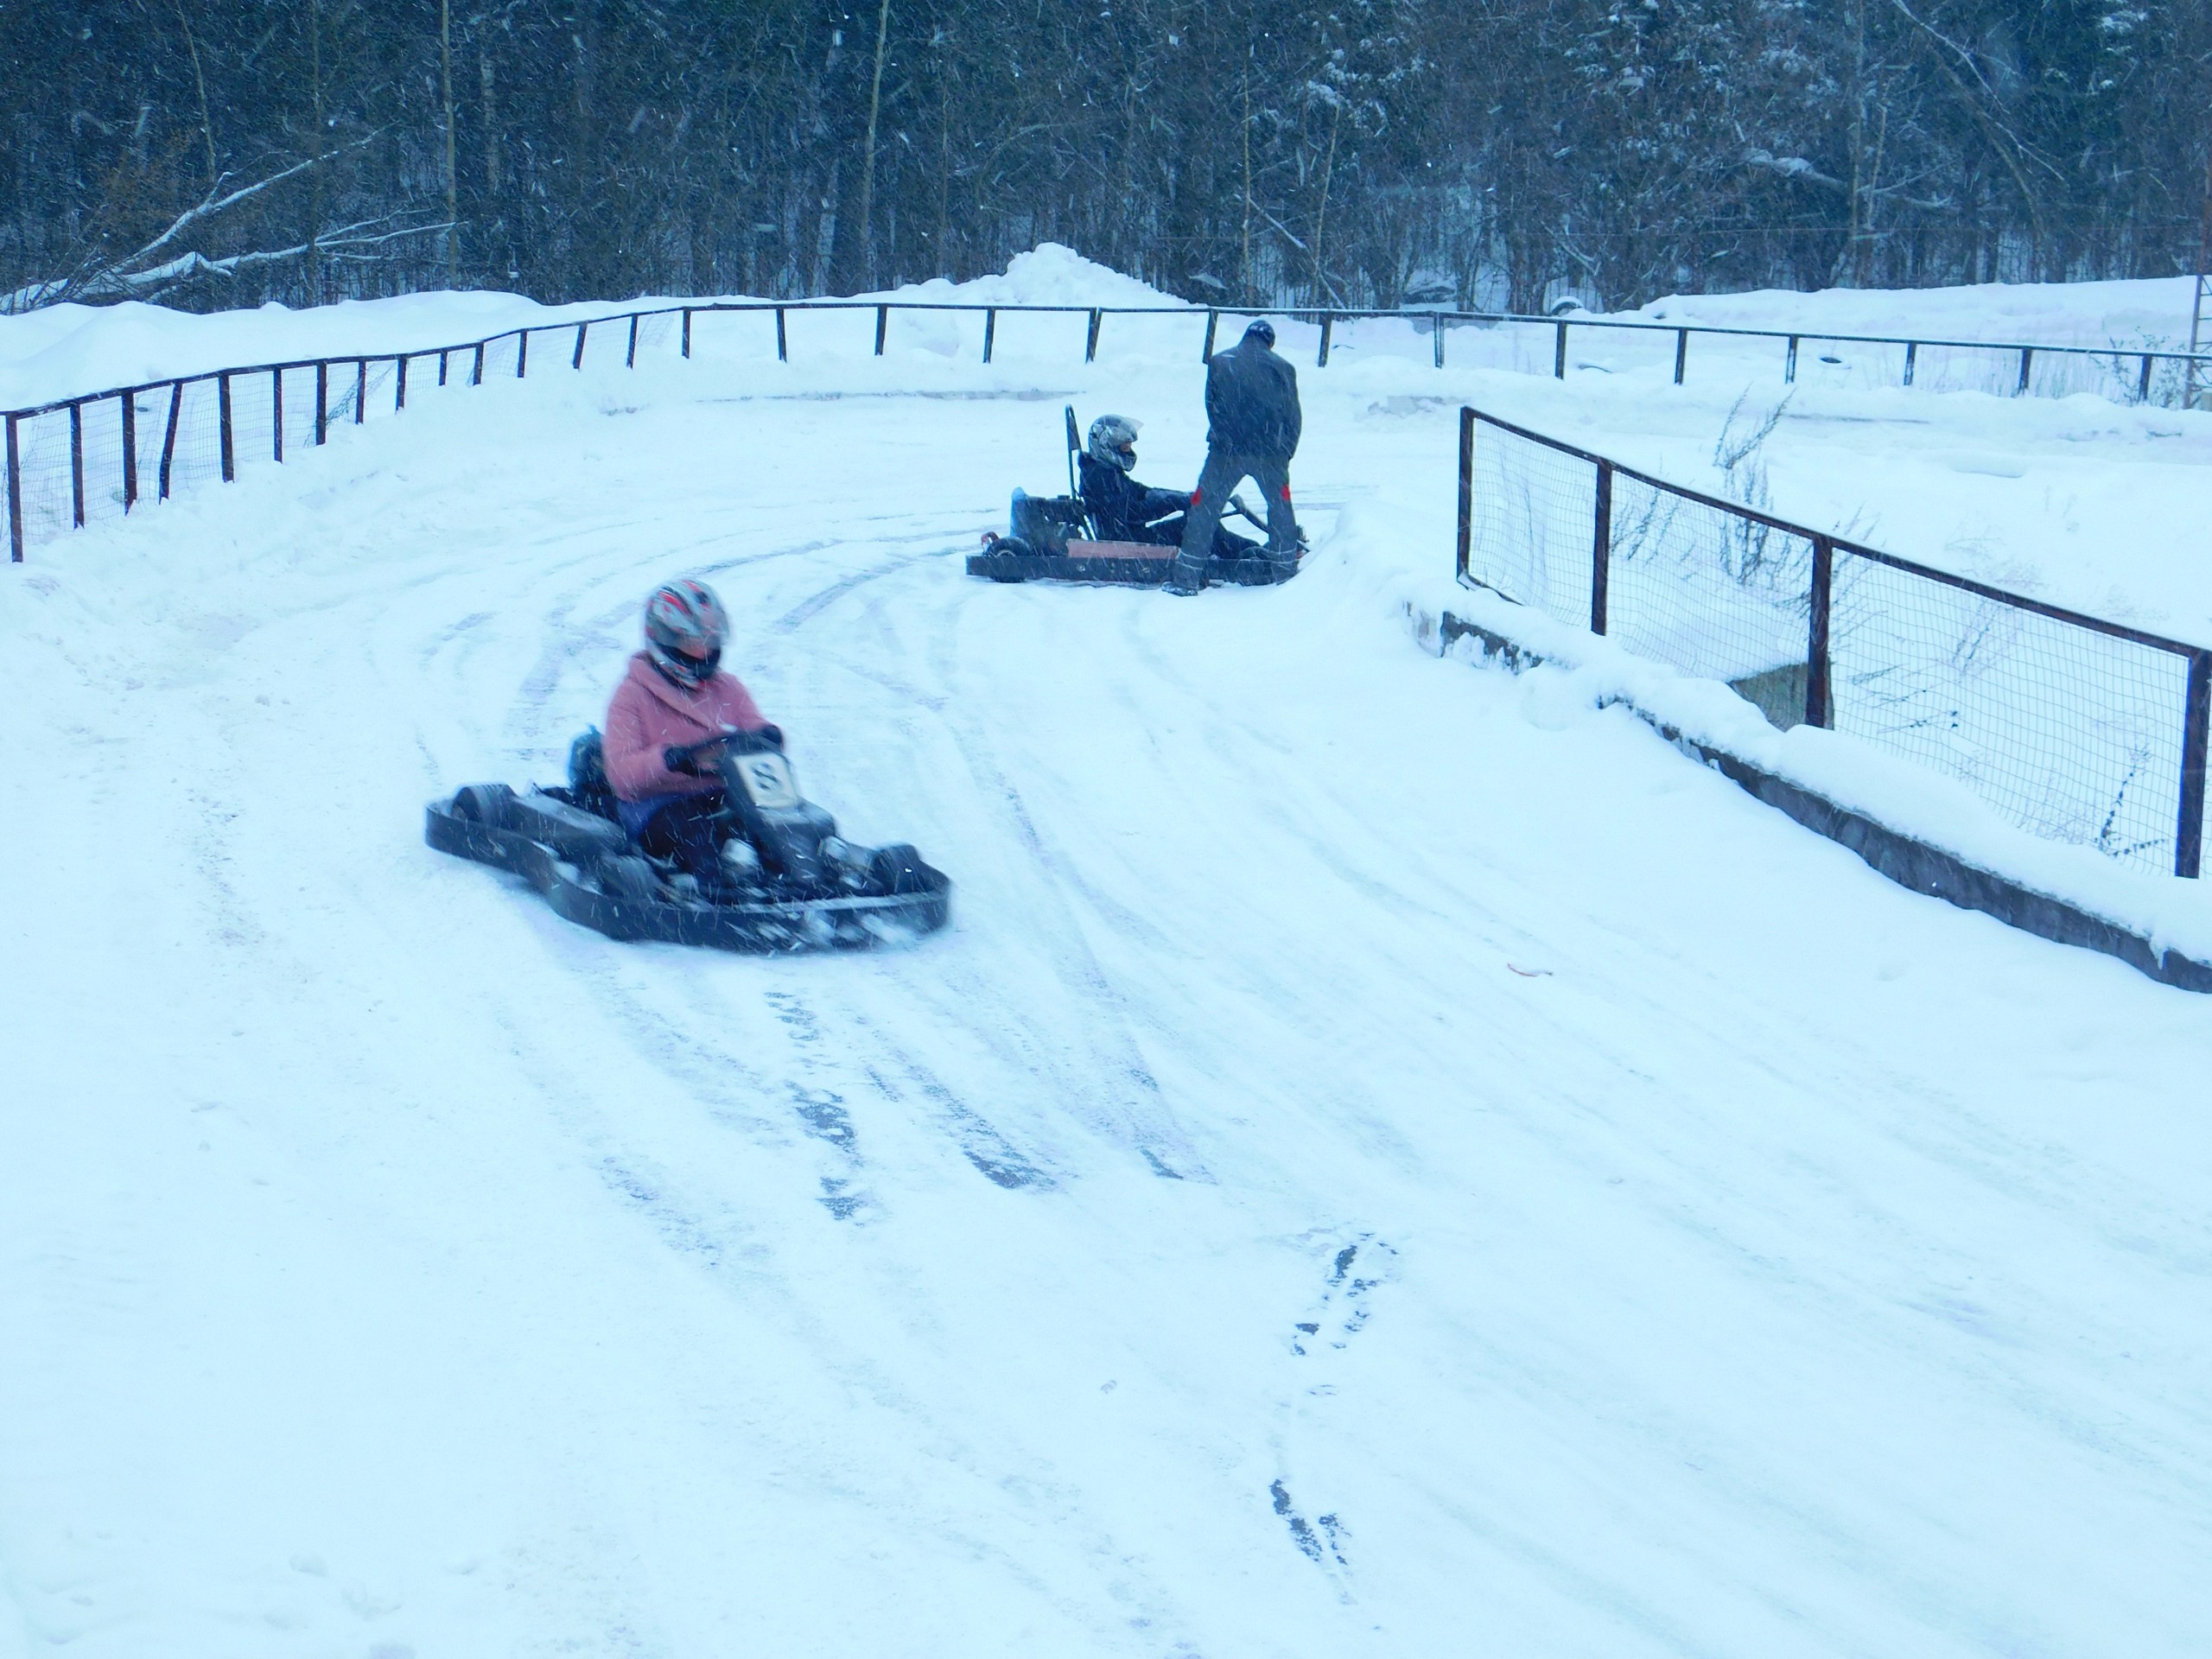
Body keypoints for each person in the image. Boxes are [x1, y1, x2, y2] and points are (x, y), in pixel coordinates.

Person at [601, 579, 779, 881]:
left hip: (723, 794)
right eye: (694, 644)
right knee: (701, 836)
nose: (705, 652)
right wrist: (672, 760)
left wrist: (768, 736)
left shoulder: (728, 687)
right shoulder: (632, 695)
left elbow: (754, 729)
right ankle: (724, 901)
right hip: (658, 804)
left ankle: (820, 875)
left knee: (774, 827)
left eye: (710, 642)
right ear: (663, 639)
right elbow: (621, 776)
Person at [1171, 318, 1303, 594]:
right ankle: (1286, 572)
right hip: (1270, 453)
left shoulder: (1220, 362)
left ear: (1245, 337)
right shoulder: (1284, 368)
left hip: (1225, 452)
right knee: (1280, 509)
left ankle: (1187, 578)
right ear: (1270, 342)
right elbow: (1293, 417)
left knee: (1204, 509)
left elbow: (1211, 405)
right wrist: (1284, 452)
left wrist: (1225, 436)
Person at [1077, 414, 1257, 559]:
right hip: (1125, 544)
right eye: (1124, 447)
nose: (1129, 451)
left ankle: (1247, 552)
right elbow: (1133, 512)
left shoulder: (1106, 471)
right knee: (1195, 525)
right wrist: (1174, 503)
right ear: (1106, 445)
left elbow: (1143, 492)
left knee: (1199, 523)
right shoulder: (1098, 477)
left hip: (1131, 537)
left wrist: (1185, 498)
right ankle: (1246, 556)